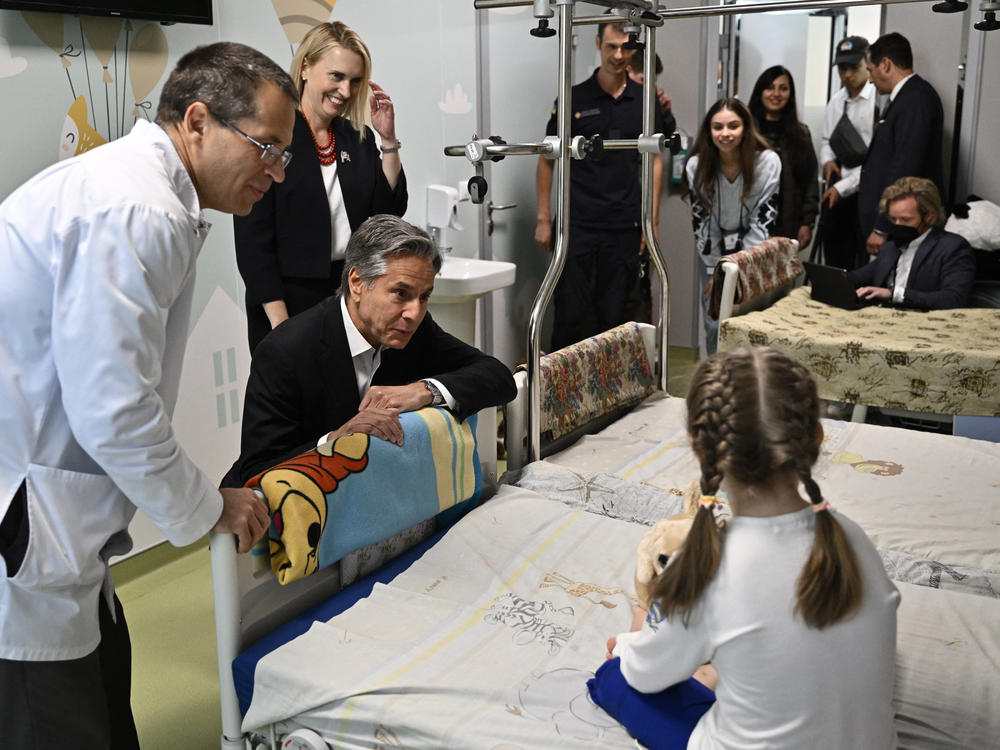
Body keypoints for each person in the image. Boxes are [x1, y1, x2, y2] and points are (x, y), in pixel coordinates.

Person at [0, 42, 288, 749]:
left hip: (56, 513)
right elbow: (115, 410)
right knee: (53, 719)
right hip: (29, 519)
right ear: (198, 122)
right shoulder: (136, 209)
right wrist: (209, 504)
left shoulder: (136, 194)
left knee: (97, 697)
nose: (277, 173)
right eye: (268, 148)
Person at [604, 346, 900, 748]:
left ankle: (688, 657)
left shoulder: (705, 569)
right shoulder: (851, 538)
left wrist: (637, 635)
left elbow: (641, 676)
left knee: (613, 676)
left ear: (699, 447)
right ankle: (708, 664)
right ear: (815, 436)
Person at [222, 214, 517, 487]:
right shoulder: (285, 352)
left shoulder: (415, 329)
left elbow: (499, 378)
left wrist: (423, 391)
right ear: (357, 283)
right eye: (400, 294)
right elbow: (255, 470)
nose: (414, 312)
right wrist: (335, 440)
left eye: (424, 297)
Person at [236, 21, 408, 354]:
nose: (345, 91)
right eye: (336, 76)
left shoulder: (355, 137)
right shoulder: (270, 135)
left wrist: (388, 139)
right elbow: (253, 244)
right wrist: (281, 326)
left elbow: (387, 212)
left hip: (349, 294)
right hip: (286, 300)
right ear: (304, 67)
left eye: (355, 81)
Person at [535, 16, 666, 351]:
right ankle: (557, 395)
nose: (618, 55)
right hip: (577, 223)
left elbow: (655, 161)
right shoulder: (574, 98)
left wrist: (651, 223)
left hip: (624, 224)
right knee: (570, 313)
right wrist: (544, 219)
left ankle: (610, 395)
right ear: (598, 45)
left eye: (625, 48)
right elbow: (547, 158)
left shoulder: (645, 99)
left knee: (615, 317)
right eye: (611, 47)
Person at [684, 98, 781, 354]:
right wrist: (719, 272)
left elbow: (762, 221)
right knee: (716, 323)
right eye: (718, 127)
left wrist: (739, 266)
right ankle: (716, 383)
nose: (725, 134)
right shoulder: (696, 166)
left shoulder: (767, 163)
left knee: (751, 324)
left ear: (746, 128)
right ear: (709, 131)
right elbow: (703, 225)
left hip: (753, 255)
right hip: (712, 256)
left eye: (733, 126)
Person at [859, 32, 943, 258]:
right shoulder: (906, 98)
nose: (870, 79)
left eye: (870, 70)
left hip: (898, 228)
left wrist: (882, 226)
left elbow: (905, 167)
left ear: (885, 64)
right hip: (892, 226)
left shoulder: (915, 100)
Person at [851, 176, 975, 309]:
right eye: (893, 219)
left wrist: (894, 294)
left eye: (905, 220)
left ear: (928, 216)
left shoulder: (952, 247)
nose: (897, 225)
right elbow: (856, 278)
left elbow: (954, 299)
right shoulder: (890, 248)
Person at [818, 36, 878, 271]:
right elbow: (826, 140)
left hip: (866, 190)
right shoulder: (836, 100)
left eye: (854, 67)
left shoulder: (877, 100)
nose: (847, 74)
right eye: (842, 68)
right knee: (835, 256)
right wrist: (827, 161)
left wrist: (842, 187)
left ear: (867, 63)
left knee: (861, 261)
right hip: (838, 187)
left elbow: (875, 160)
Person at [748, 65, 819, 251]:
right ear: (760, 91)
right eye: (770, 87)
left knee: (781, 277)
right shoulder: (747, 131)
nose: (776, 94)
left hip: (788, 222)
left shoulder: (801, 134)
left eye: (783, 88)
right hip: (750, 223)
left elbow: (810, 180)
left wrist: (807, 222)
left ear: (790, 94)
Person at [626, 53, 677, 136]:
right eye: (643, 80)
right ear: (628, 71)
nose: (648, 87)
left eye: (652, 82)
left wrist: (665, 113)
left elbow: (665, 137)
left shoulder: (651, 102)